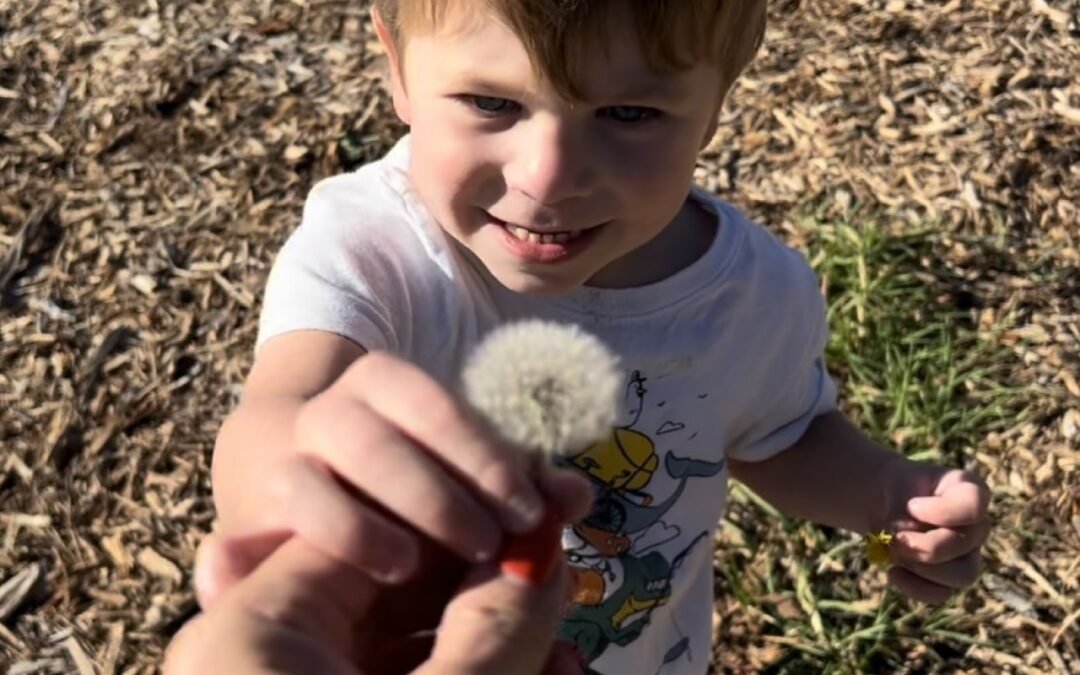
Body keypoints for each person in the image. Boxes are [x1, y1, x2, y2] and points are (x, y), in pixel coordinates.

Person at [203, 1, 992, 673]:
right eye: (490, 103)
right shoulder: (371, 254)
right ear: (397, 67)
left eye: (627, 113)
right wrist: (284, 473)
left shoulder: (750, 295)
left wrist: (889, 496)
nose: (548, 177)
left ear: (719, 98)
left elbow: (777, 438)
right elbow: (284, 403)